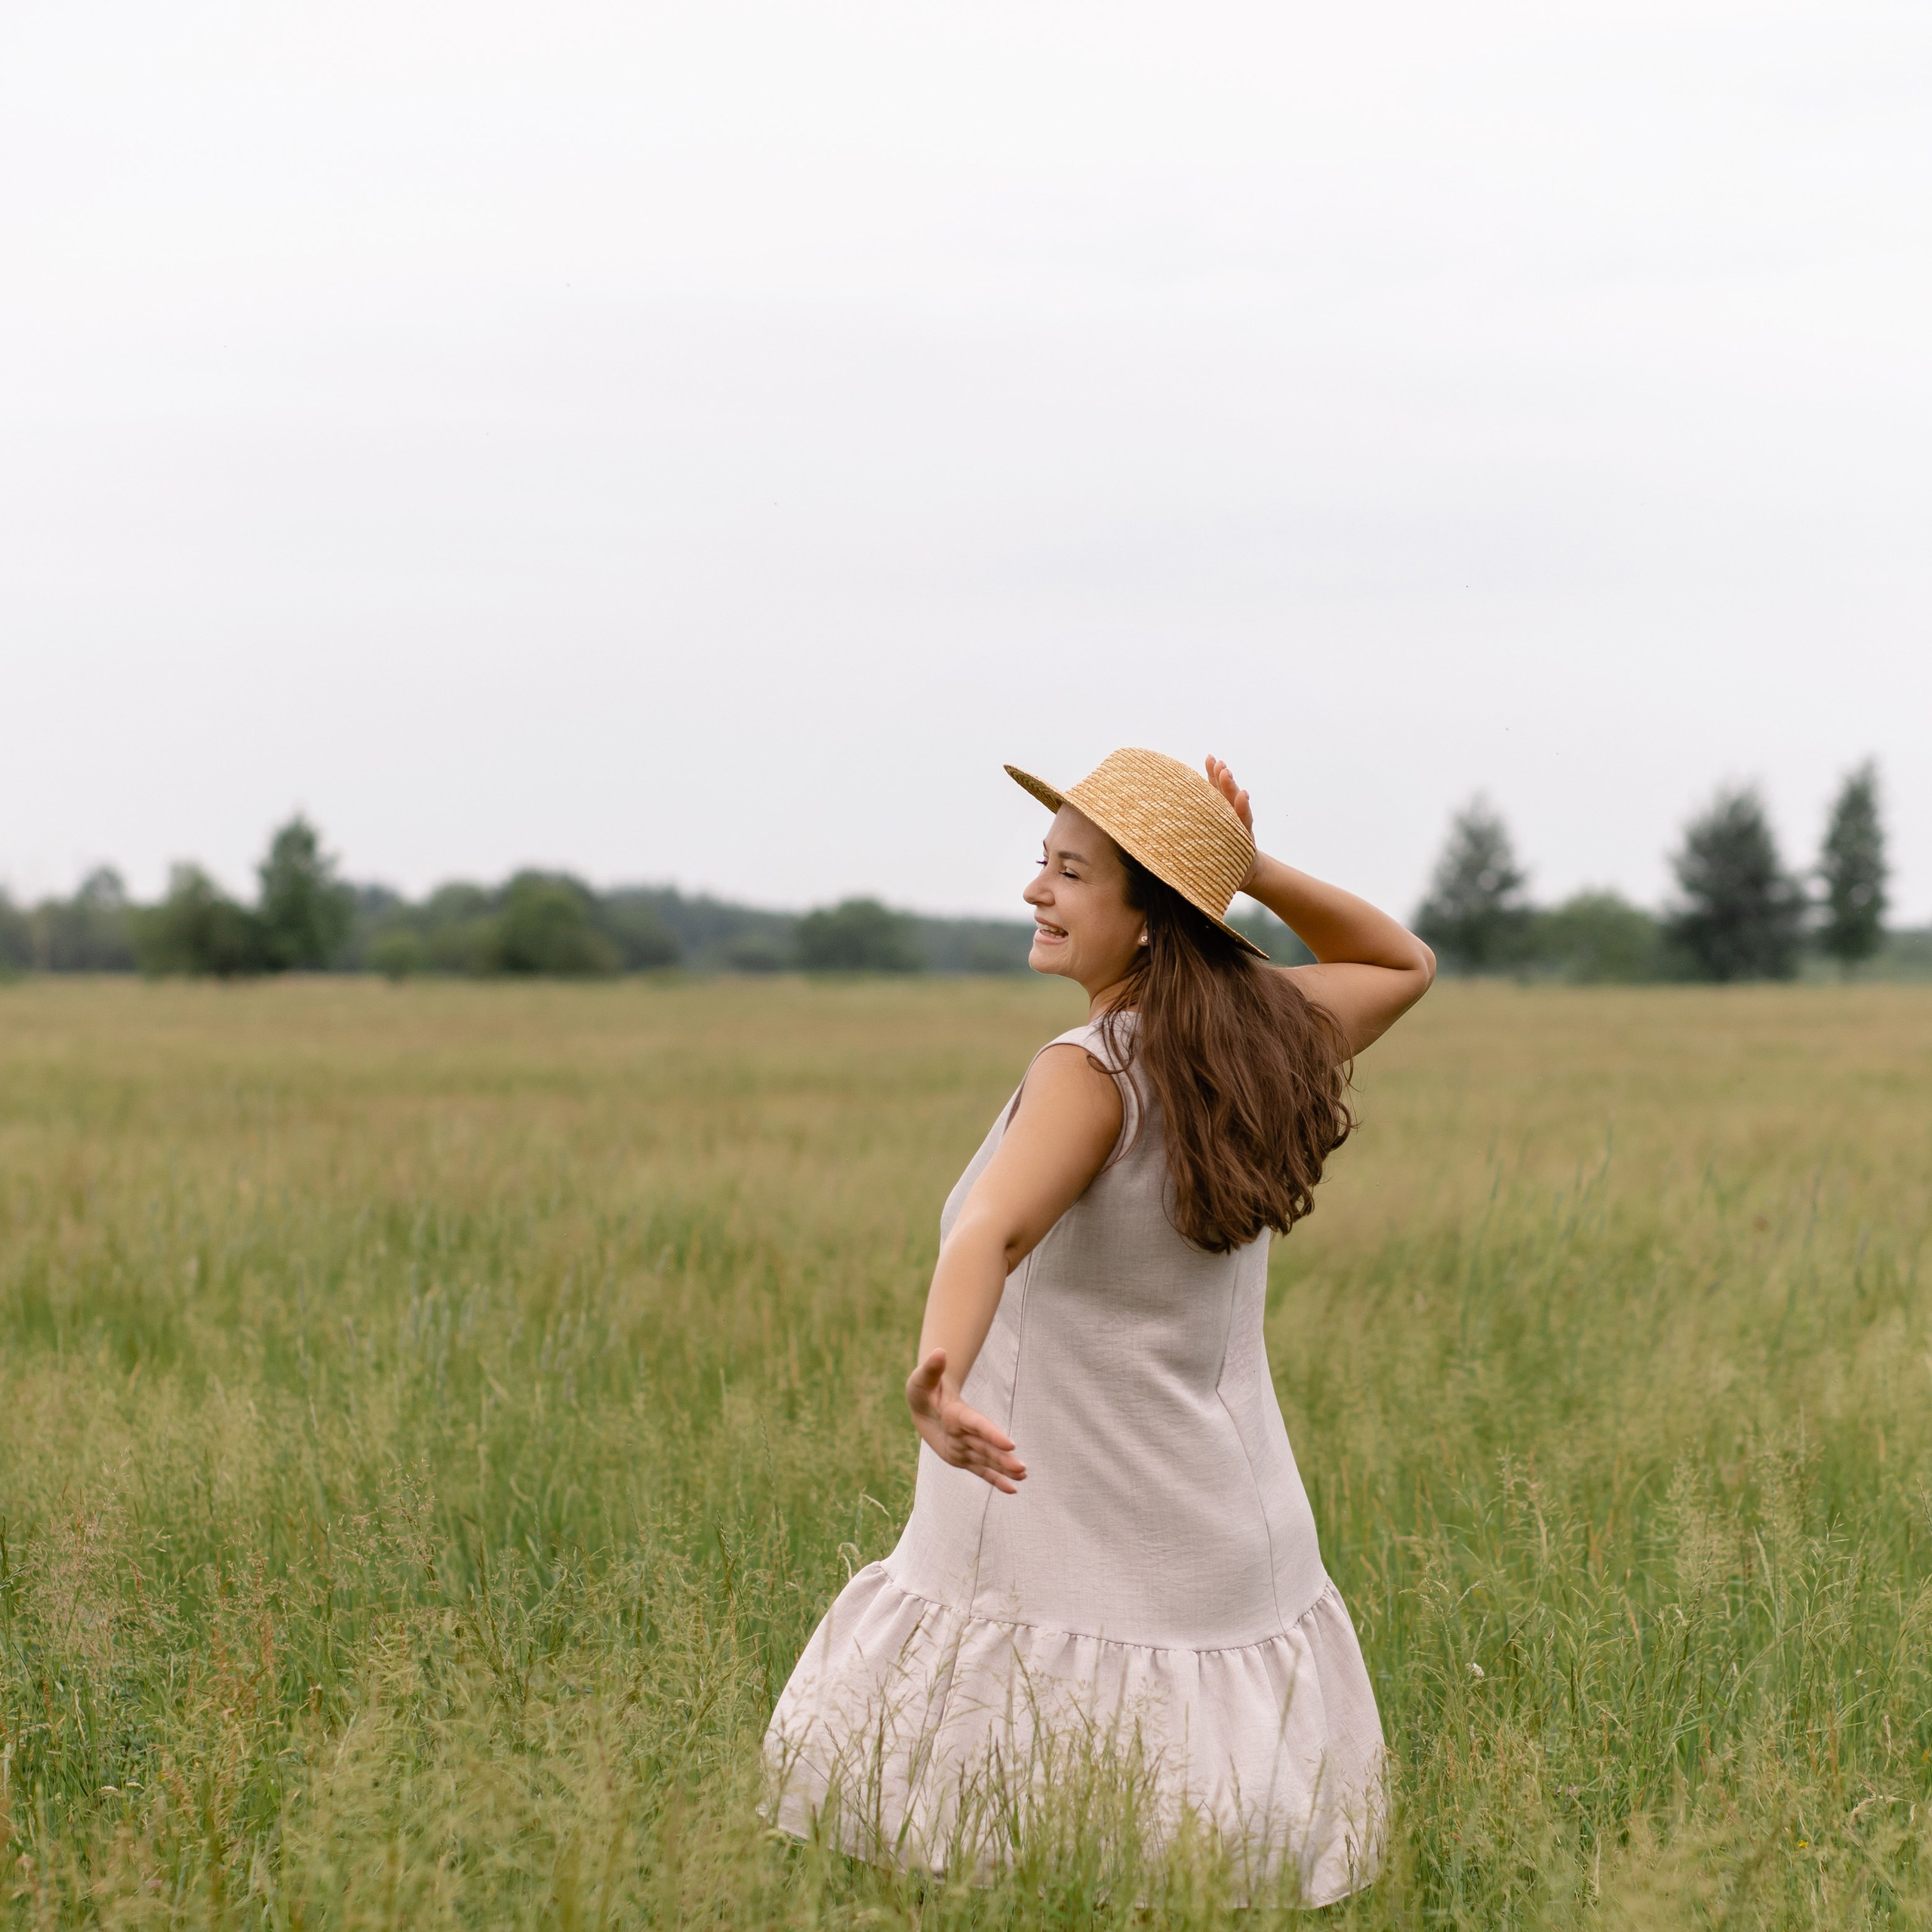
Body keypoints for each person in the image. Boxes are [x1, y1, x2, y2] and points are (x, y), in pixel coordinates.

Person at [765, 747, 1435, 1905]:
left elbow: (991, 1233)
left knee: (986, 1856)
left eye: (1072, 873)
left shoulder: (1089, 1070)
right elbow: (1401, 961)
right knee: (1186, 1856)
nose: (1037, 891)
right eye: (1045, 864)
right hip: (1228, 1524)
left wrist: (938, 1375)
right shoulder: (1266, 1036)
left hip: (1065, 1512)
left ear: (1151, 917)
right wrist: (1251, 866)